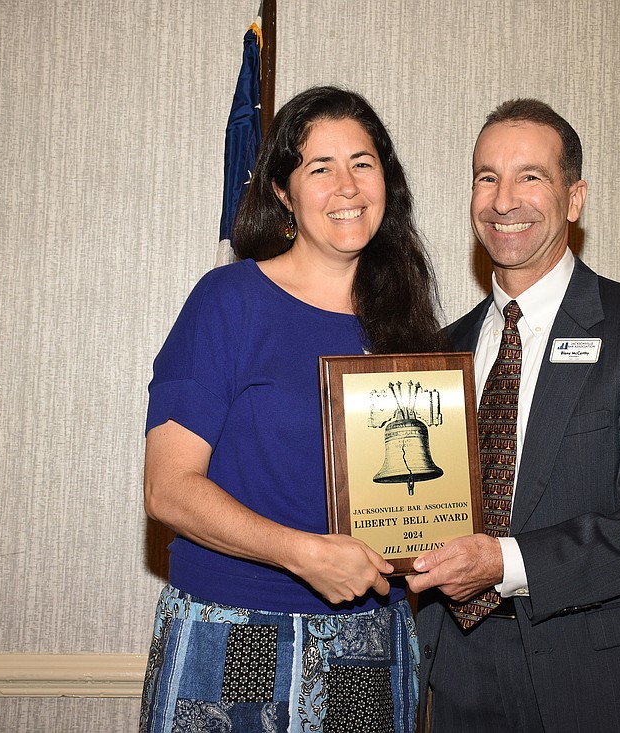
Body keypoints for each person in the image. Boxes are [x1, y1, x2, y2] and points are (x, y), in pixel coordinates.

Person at [139, 86, 445, 733]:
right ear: (283, 189)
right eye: (320, 167)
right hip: (241, 627)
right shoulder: (229, 301)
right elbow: (168, 489)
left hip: (369, 641)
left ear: (386, 179)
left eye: (363, 162)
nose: (347, 185)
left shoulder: (411, 329)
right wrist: (302, 554)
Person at [407, 99, 620, 732]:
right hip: (458, 673)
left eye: (530, 177)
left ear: (573, 199)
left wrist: (508, 562)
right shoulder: (438, 353)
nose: (503, 199)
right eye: (486, 177)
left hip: (598, 681)